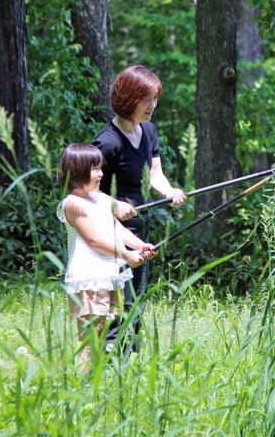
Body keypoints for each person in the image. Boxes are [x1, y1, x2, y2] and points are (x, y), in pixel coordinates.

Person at [92, 65, 187, 351]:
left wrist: (170, 192)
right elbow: (86, 193)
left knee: (136, 304)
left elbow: (154, 175)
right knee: (120, 307)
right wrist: (114, 204)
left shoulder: (148, 131)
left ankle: (129, 367)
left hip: (141, 232)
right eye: (147, 99)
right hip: (112, 234)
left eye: (155, 98)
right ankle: (106, 367)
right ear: (129, 98)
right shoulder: (107, 142)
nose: (153, 106)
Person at [57, 143, 156, 372]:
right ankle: (78, 388)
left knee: (100, 335)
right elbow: (94, 240)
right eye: (95, 169)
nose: (101, 174)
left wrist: (140, 246)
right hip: (88, 277)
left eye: (101, 168)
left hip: (106, 275)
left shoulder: (98, 199)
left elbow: (117, 229)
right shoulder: (72, 204)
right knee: (90, 339)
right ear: (78, 170)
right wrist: (127, 255)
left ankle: (89, 384)